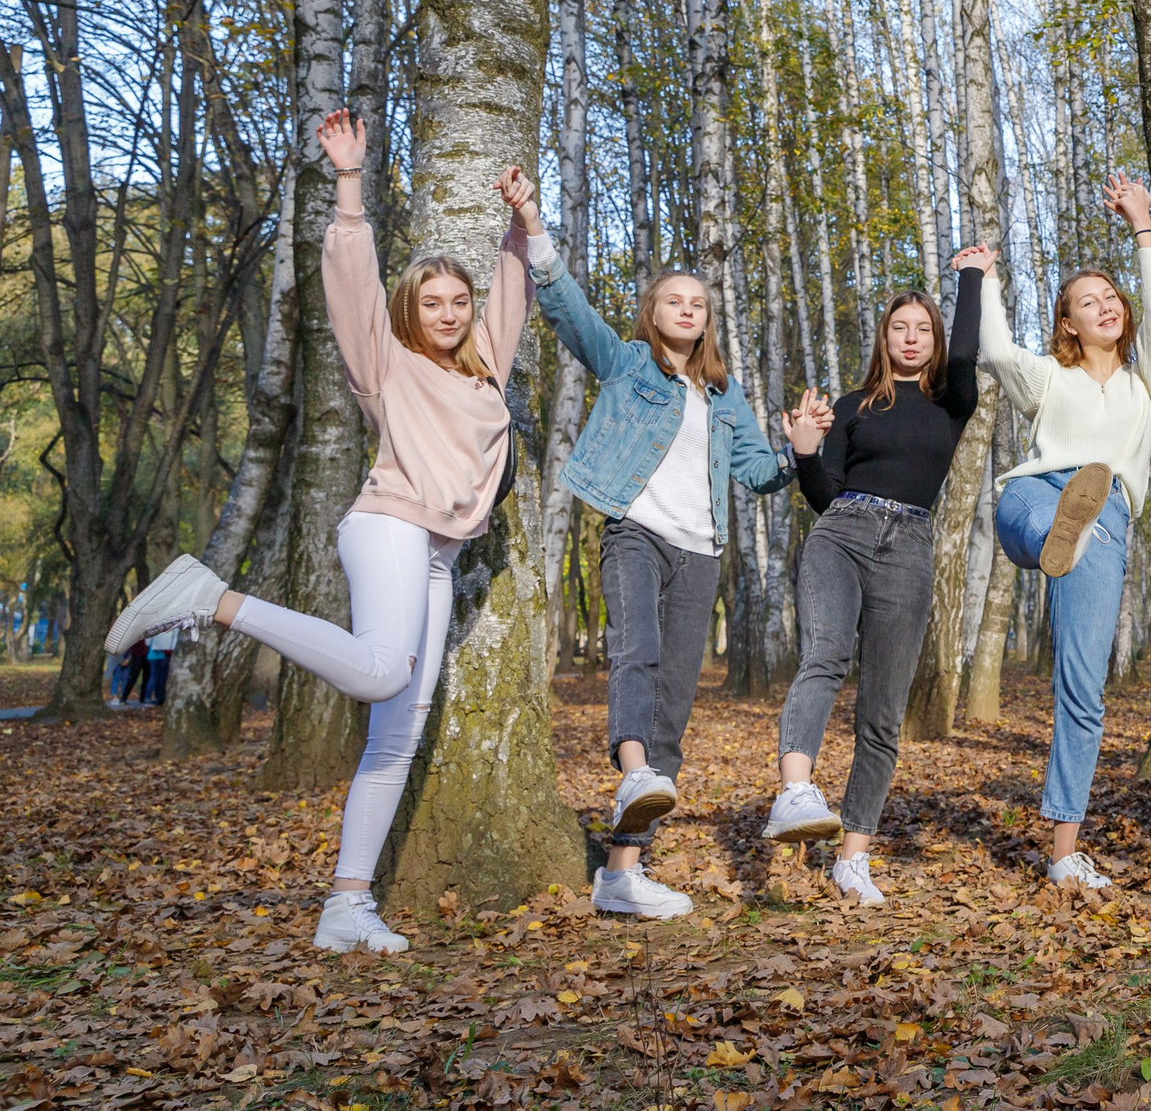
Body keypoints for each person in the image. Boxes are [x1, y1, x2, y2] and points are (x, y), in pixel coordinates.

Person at [106, 109, 529, 954]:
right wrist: (347, 185)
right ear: (411, 310)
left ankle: (346, 905)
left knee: (396, 736)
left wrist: (524, 221)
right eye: (431, 301)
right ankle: (213, 597)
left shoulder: (487, 365)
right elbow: (352, 286)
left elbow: (514, 286)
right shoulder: (387, 361)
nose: (446, 313)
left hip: (436, 556)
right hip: (385, 528)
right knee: (379, 676)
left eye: (458, 301)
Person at [521, 183, 797, 921]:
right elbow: (568, 313)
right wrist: (534, 228)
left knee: (673, 700)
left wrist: (801, 450)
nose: (686, 309)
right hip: (634, 532)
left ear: (707, 321)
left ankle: (622, 872)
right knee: (634, 652)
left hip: (699, 553)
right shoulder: (628, 364)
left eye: (697, 303)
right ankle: (633, 772)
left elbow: (758, 472)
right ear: (653, 312)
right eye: (673, 299)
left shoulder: (722, 391)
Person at [762, 247, 990, 905]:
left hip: (910, 546)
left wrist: (971, 275)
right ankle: (796, 791)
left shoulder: (953, 399)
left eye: (923, 328)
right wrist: (805, 450)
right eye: (900, 327)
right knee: (825, 657)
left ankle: (852, 857)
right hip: (842, 533)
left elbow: (970, 353)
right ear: (884, 337)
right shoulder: (853, 404)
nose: (912, 337)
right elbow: (823, 495)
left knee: (883, 711)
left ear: (935, 338)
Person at [980, 173, 1151, 891]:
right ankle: (1049, 542)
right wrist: (987, 280)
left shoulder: (1146, 383)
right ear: (1067, 323)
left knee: (1083, 688)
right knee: (1032, 513)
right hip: (1036, 497)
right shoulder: (1047, 378)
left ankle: (1063, 849)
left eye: (1109, 297)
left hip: (1104, 511)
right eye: (1087, 301)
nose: (1106, 305)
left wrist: (1142, 224)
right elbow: (999, 354)